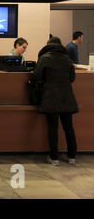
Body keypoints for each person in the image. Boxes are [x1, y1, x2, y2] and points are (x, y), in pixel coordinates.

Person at [33, 36, 78, 166]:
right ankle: (72, 156)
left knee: (53, 128)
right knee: (68, 127)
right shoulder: (67, 59)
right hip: (66, 97)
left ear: (48, 45)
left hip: (50, 96)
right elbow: (72, 78)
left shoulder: (44, 58)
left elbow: (36, 76)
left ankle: (54, 158)